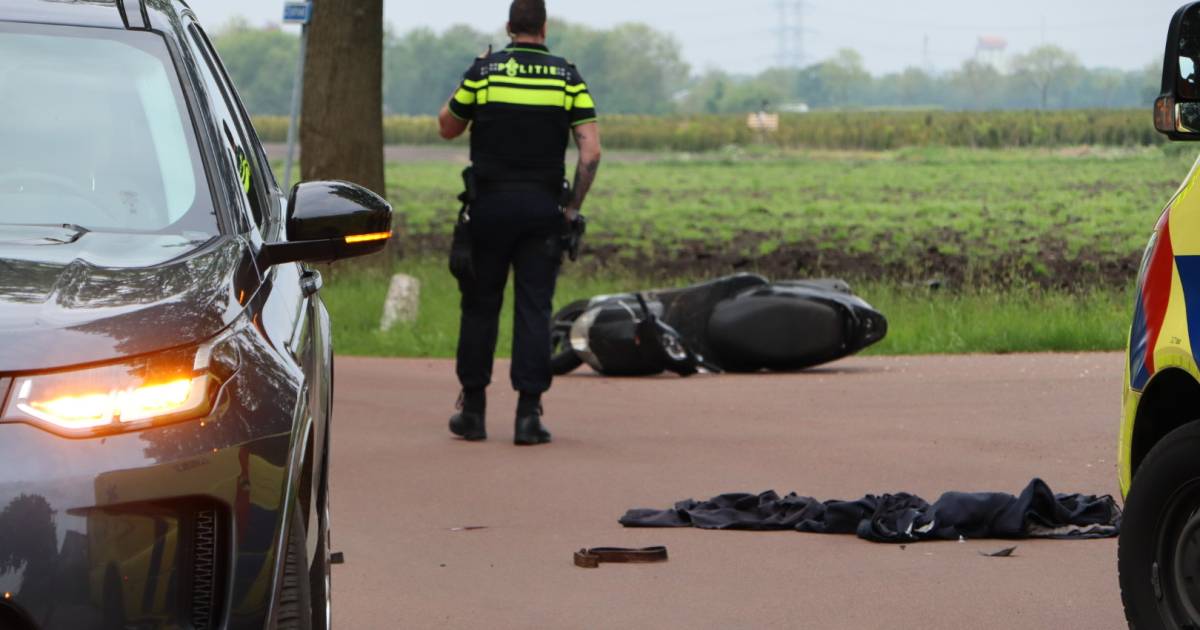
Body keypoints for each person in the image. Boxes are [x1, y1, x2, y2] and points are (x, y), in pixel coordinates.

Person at [437, 0, 602, 445]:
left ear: (509, 27)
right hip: (542, 212)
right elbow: (591, 153)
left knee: (479, 306)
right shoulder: (568, 77)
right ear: (544, 28)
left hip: (488, 209)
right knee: (534, 309)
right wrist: (571, 209)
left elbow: (447, 126)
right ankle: (529, 416)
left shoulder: (485, 72)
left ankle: (472, 410)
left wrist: (470, 75)